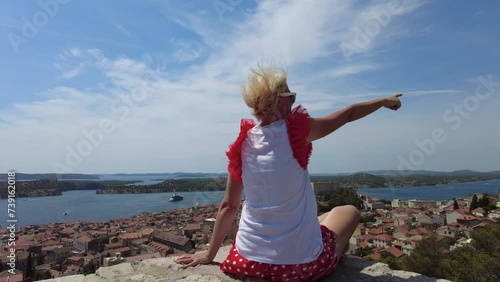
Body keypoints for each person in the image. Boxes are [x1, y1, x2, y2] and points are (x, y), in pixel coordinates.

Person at [175, 66, 403, 281]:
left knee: (319, 220)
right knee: (349, 211)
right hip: (300, 268)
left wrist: (208, 256)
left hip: (246, 261)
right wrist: (383, 101)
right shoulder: (298, 131)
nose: (294, 103)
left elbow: (228, 207)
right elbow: (348, 114)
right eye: (291, 97)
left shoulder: (242, 145)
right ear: (280, 101)